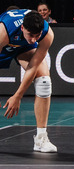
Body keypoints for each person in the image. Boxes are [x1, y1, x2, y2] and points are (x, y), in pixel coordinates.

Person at [0, 10, 56, 153]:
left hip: (23, 47)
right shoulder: (3, 31)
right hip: (5, 45)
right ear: (23, 28)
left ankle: (41, 139)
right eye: (31, 35)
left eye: (37, 36)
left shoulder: (46, 34)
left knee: (44, 81)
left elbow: (33, 67)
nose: (34, 40)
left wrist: (18, 96)